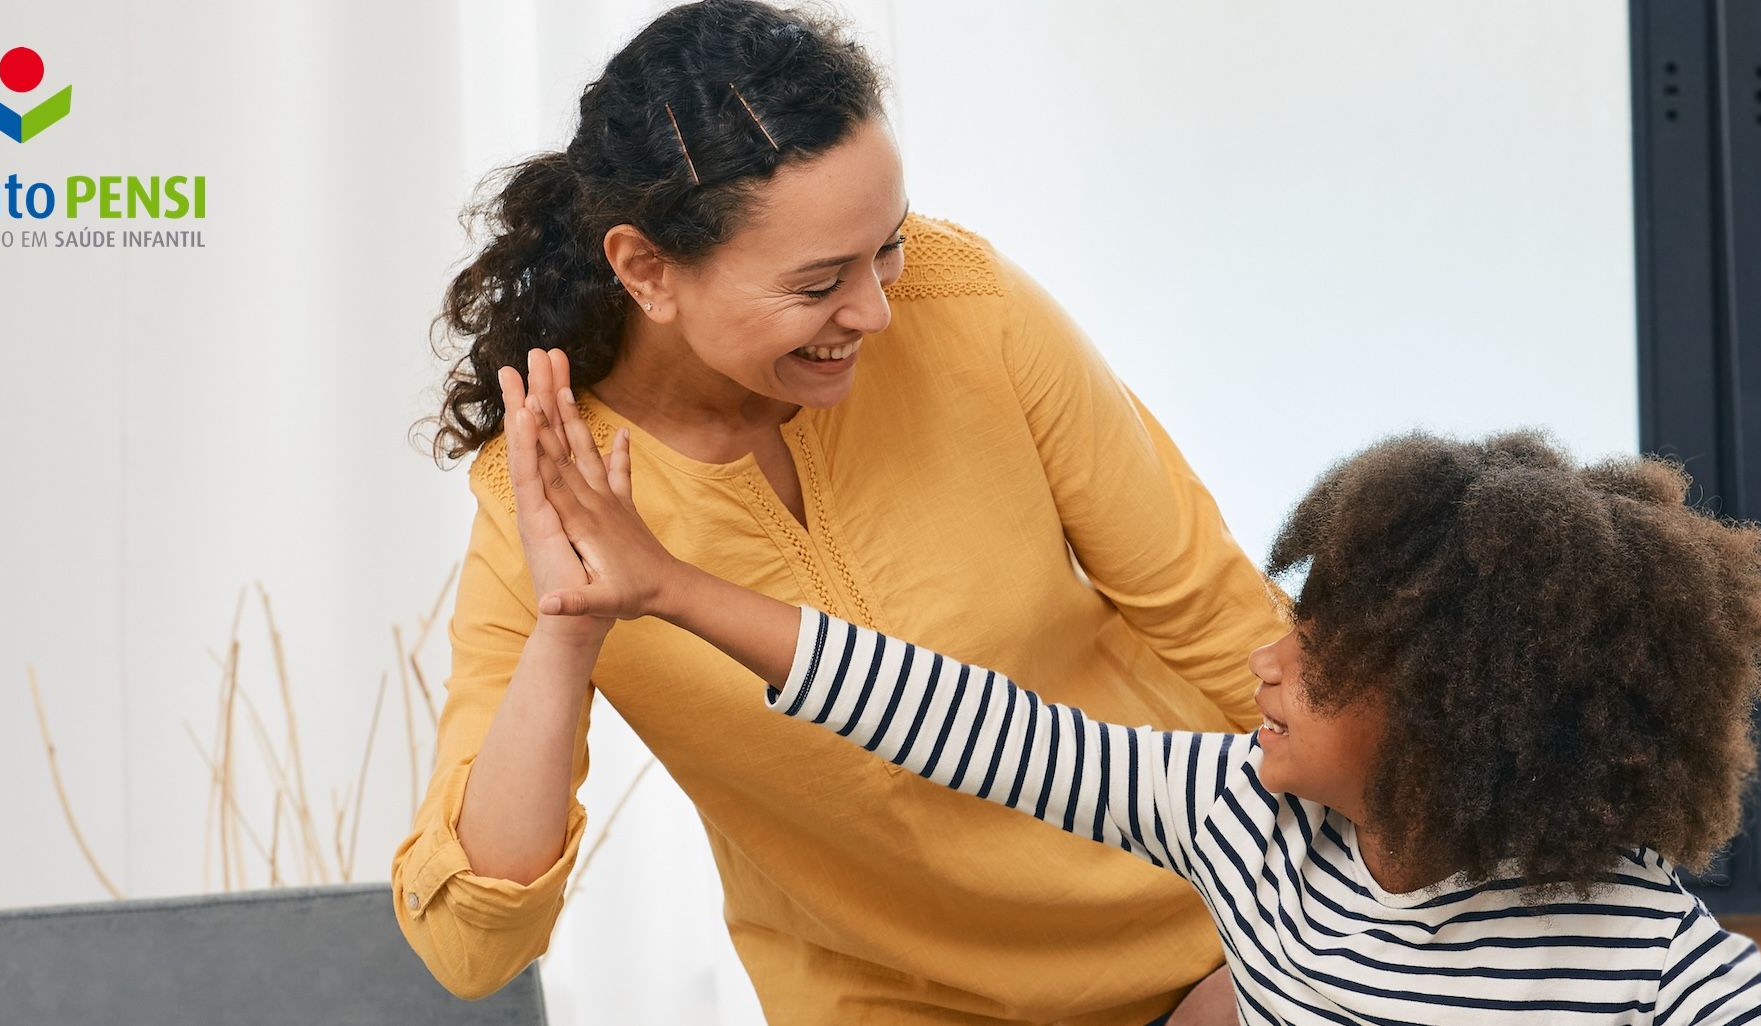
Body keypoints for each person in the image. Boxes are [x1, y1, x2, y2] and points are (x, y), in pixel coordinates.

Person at [393, 2, 1285, 1021]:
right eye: (818, 283)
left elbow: (1216, 616)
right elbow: (471, 947)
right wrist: (567, 635)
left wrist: (1343, 928)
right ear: (645, 269)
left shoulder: (966, 306)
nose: (874, 310)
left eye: (886, 246)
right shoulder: (555, 494)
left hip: (1224, 937)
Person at [510, 409, 1761, 1026]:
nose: (1267, 664)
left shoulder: (1639, 948)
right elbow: (961, 719)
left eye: (1322, 655)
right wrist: (670, 587)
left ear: (1462, 720)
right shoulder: (1239, 817)